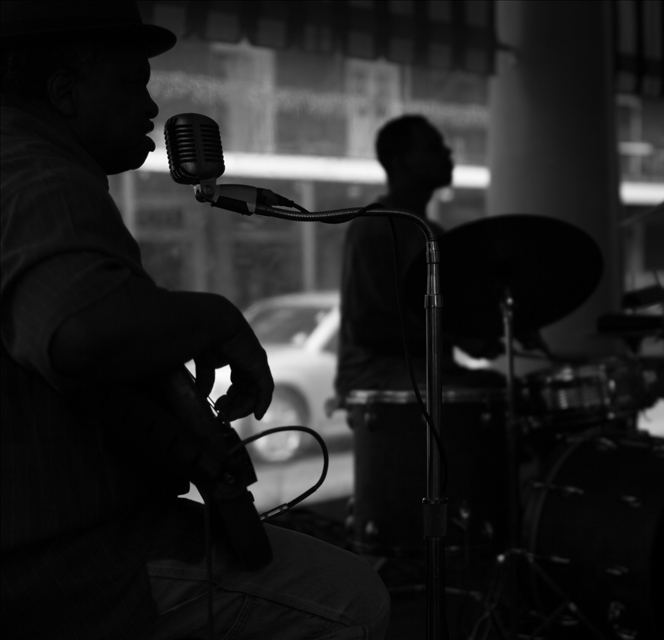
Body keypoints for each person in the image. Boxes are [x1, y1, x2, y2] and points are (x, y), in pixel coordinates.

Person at [0, 3, 388, 638]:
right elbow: (81, 333)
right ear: (64, 91)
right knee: (353, 600)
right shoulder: (41, 176)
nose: (151, 108)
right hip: (71, 564)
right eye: (132, 83)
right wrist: (213, 314)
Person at [335, 114, 503, 397]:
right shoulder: (374, 227)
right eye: (433, 147)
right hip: (375, 375)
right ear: (401, 162)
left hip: (426, 371)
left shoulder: (433, 233)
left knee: (495, 387)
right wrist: (461, 336)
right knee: (491, 390)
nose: (447, 153)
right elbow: (369, 329)